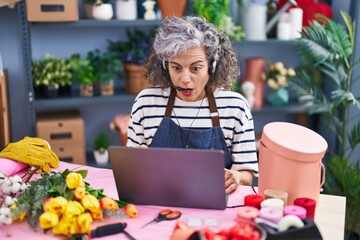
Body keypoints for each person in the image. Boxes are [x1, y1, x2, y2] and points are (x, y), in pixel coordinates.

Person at [127, 16, 258, 194]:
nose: (185, 79)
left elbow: (247, 173)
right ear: (166, 66)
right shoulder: (146, 103)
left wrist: (237, 177)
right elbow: (130, 170)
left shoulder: (235, 107)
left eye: (195, 68)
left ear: (212, 67)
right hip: (158, 204)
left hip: (216, 206)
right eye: (176, 68)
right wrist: (136, 161)